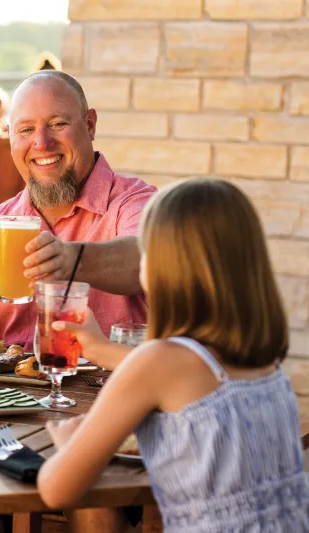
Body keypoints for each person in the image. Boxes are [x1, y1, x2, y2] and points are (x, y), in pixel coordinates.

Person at [39, 178, 309, 532]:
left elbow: (56, 489)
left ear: (165, 266)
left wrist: (67, 443)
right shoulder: (265, 365)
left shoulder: (158, 362)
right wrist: (101, 348)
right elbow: (185, 380)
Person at [0, 70, 155, 357]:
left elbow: (146, 260)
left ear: (90, 125)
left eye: (57, 124)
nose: (41, 143)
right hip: (7, 397)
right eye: (25, 130)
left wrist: (70, 259)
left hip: (104, 392)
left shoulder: (136, 201)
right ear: (10, 136)